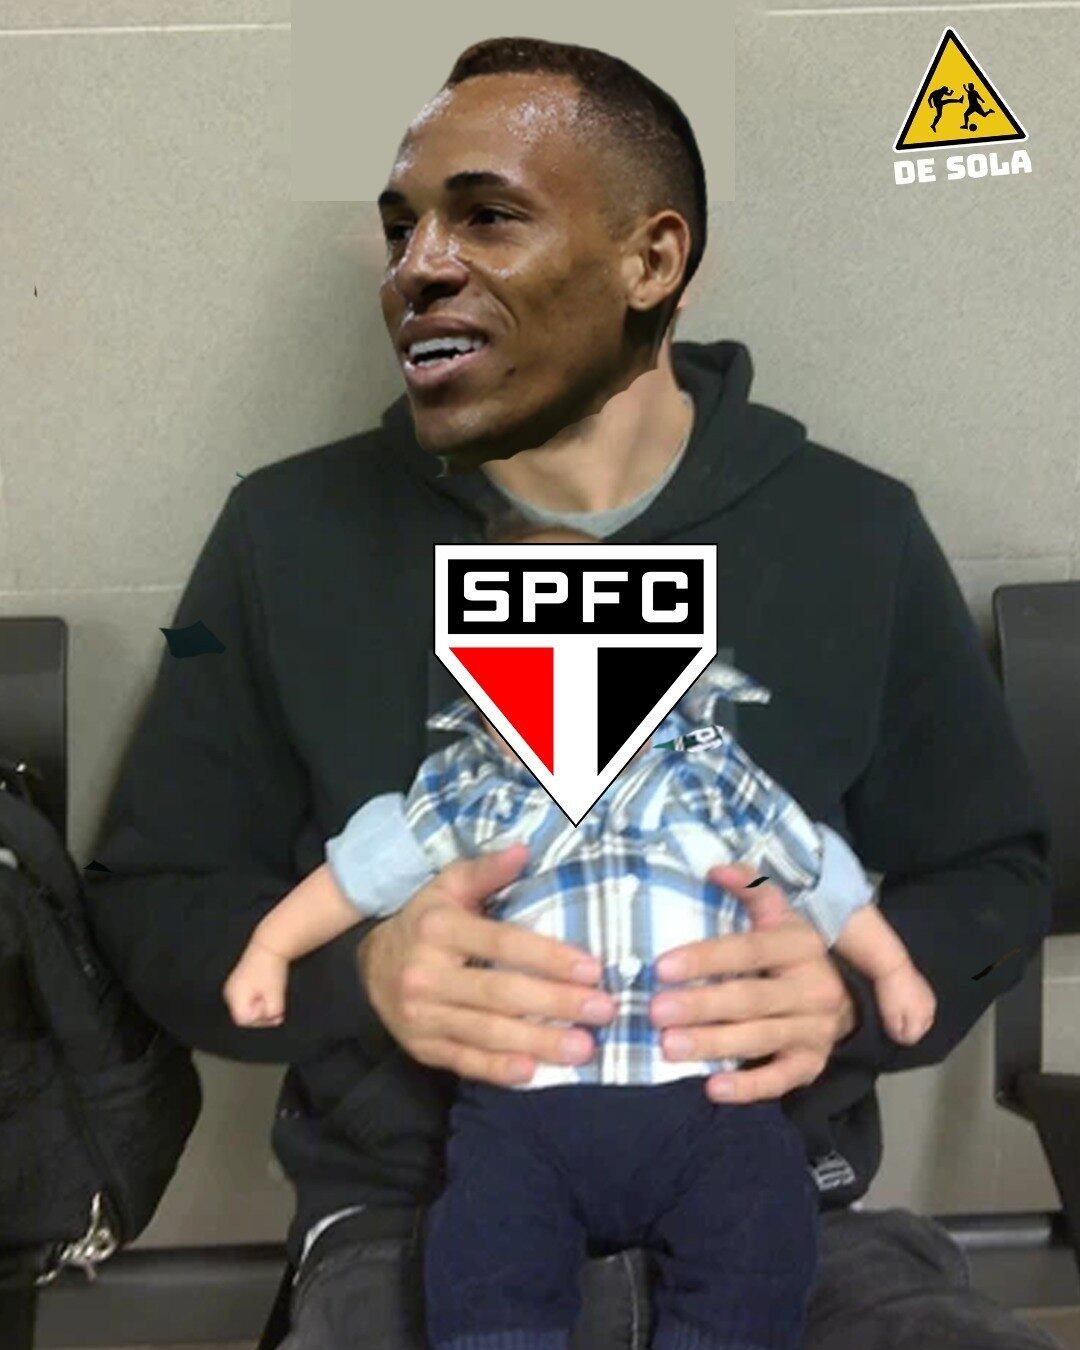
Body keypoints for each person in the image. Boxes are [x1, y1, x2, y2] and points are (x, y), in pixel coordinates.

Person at [84, 35, 1059, 1350]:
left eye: (486, 216)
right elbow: (150, 900)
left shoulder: (853, 531)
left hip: (787, 1209)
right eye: (402, 229)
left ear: (651, 260)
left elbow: (997, 877)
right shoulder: (285, 535)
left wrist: (845, 993)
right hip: (419, 1220)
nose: (417, 267)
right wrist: (360, 974)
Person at [221, 520, 936, 1349]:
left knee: (759, 1230)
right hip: (523, 1107)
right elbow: (359, 873)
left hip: (707, 1102)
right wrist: (272, 948)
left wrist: (888, 971)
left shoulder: (710, 779)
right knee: (484, 1250)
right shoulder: (472, 792)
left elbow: (813, 870)